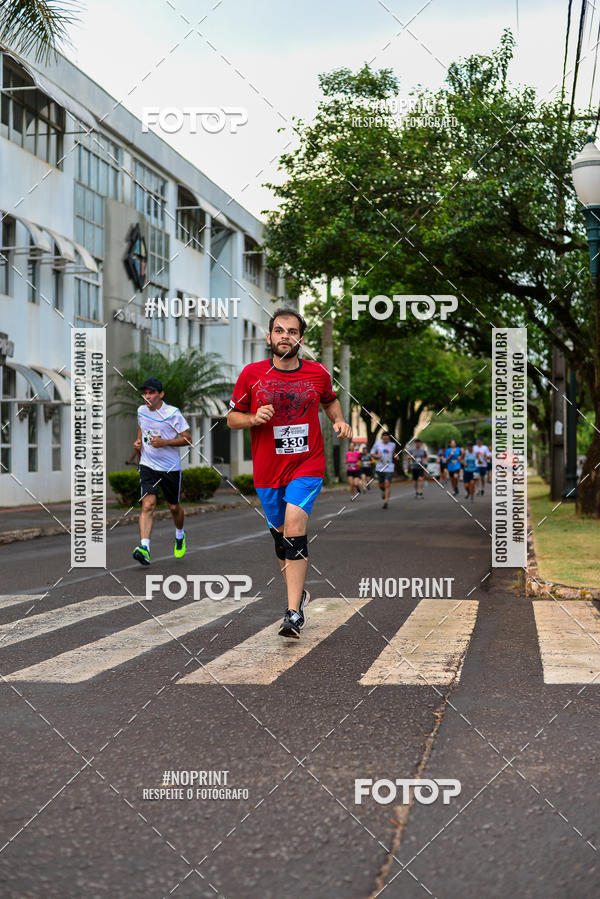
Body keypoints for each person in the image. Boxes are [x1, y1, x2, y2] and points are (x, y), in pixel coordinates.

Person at [227, 308, 352, 639]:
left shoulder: (318, 373)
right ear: (269, 337)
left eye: (292, 331)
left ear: (300, 338)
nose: (285, 335)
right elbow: (231, 418)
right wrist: (253, 418)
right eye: (279, 330)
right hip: (268, 470)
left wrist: (338, 420)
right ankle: (300, 596)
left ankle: (293, 612)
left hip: (307, 464)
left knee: (295, 527)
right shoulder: (252, 375)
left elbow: (330, 401)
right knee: (282, 539)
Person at [132, 377, 192, 566]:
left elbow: (188, 439)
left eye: (151, 393)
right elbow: (142, 427)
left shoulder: (172, 413)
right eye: (145, 393)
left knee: (173, 507)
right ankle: (145, 548)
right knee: (148, 505)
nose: (147, 397)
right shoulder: (141, 411)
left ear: (161, 395)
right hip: (148, 465)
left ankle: (180, 535)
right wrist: (138, 443)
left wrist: (165, 442)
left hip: (170, 468)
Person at [370, 432, 395, 509]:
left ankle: (386, 502)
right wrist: (377, 456)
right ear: (382, 438)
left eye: (387, 438)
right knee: (381, 485)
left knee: (387, 484)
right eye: (384, 438)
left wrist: (396, 456)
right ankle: (383, 492)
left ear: (389, 438)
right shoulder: (377, 445)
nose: (385, 439)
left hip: (389, 467)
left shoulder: (393, 445)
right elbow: (372, 453)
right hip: (380, 468)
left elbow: (393, 453)